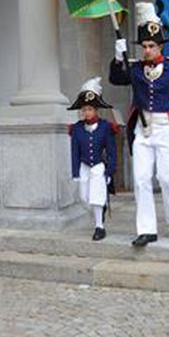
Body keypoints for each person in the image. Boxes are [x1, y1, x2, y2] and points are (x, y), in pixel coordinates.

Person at [109, 2, 169, 247]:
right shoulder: (136, 68)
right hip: (142, 129)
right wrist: (118, 58)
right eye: (144, 46)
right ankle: (147, 229)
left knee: (168, 178)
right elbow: (116, 79)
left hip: (165, 129)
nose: (146, 50)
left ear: (160, 46)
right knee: (141, 179)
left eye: (151, 46)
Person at [68, 77, 118, 241]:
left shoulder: (105, 127)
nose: (86, 112)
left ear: (96, 110)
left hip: (98, 166)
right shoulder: (76, 128)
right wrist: (75, 172)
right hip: (83, 166)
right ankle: (100, 210)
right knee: (84, 198)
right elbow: (74, 151)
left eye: (89, 109)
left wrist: (110, 171)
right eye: (84, 109)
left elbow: (111, 151)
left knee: (97, 196)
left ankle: (99, 227)